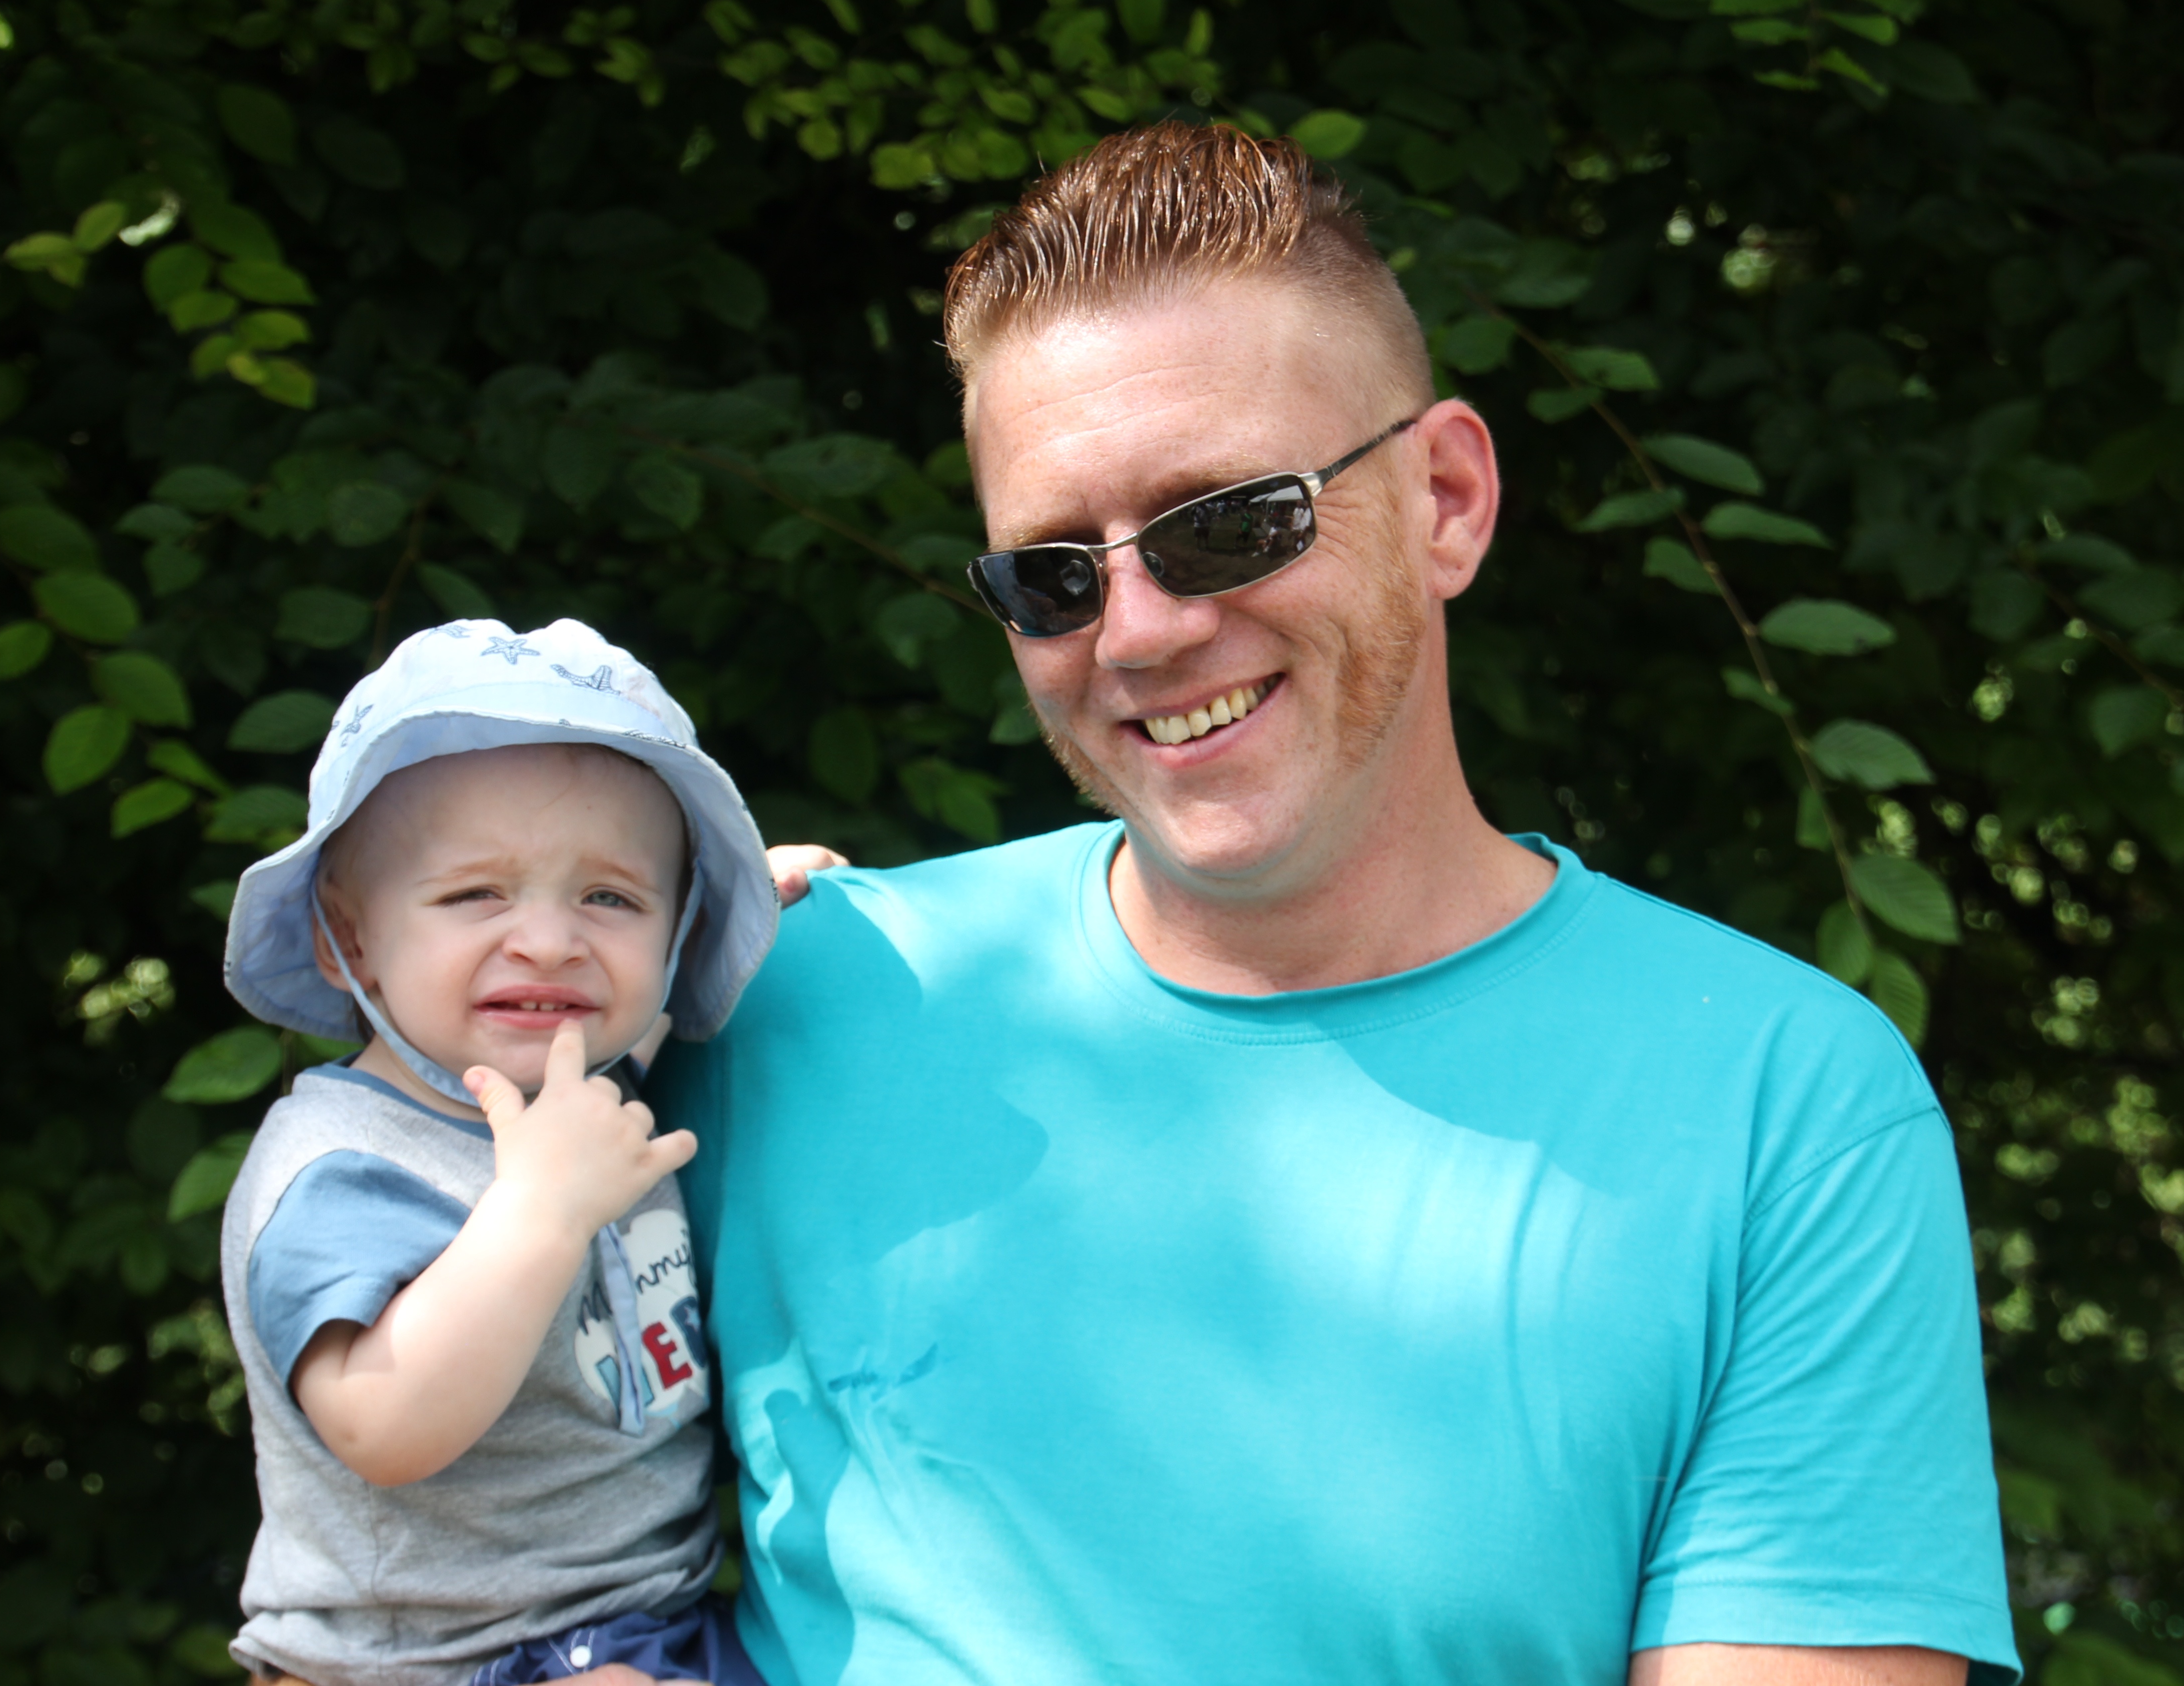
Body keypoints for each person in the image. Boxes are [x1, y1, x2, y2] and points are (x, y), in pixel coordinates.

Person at [634, 124, 2020, 1686]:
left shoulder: (1786, 1110)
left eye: (1227, 524)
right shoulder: (785, 1004)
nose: (1139, 633)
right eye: (1054, 575)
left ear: (1446, 499)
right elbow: (453, 1541)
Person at [217, 617, 830, 1686]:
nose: (549, 942)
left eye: (611, 898)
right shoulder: (346, 1163)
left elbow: (647, 1010)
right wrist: (540, 1215)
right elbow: (380, 1426)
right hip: (422, 1656)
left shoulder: (588, 1083)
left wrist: (763, 893)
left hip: (640, 1623)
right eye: (475, 895)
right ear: (348, 940)